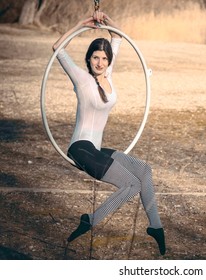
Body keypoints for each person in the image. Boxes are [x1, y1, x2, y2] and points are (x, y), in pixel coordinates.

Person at [52, 11, 165, 255]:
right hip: (80, 148)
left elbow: (118, 36)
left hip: (95, 149)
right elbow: (57, 48)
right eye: (95, 57)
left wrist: (105, 20)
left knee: (144, 170)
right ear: (89, 58)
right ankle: (90, 219)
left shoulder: (109, 75)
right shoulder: (81, 78)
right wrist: (81, 23)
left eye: (104, 58)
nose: (100, 62)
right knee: (131, 184)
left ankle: (156, 227)